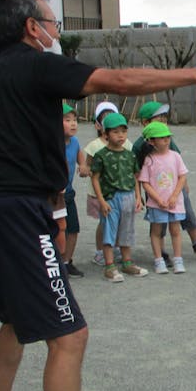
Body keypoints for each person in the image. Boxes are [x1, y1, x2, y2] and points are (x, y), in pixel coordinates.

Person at [0, 0, 196, 391]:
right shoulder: (35, 64)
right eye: (52, 23)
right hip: (14, 212)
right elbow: (119, 82)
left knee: (14, 319)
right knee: (70, 337)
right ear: (32, 28)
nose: (56, 31)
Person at [131, 100, 196, 257]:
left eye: (164, 117)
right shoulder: (139, 146)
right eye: (158, 117)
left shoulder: (167, 140)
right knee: (159, 221)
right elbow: (137, 171)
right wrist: (138, 194)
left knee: (187, 212)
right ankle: (161, 252)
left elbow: (178, 161)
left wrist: (184, 184)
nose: (163, 120)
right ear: (145, 122)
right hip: (155, 189)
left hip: (175, 187)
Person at [90, 113, 147, 282]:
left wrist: (138, 197)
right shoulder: (101, 155)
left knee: (126, 230)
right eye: (115, 132)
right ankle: (109, 266)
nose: (120, 135)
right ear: (105, 134)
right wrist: (101, 200)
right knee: (109, 231)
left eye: (123, 131)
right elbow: (95, 178)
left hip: (128, 196)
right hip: (110, 198)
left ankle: (127, 262)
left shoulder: (130, 155)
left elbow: (134, 177)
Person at [136, 121, 188, 274]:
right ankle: (158, 260)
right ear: (151, 141)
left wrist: (174, 196)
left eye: (167, 137)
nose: (166, 140)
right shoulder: (148, 160)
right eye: (161, 137)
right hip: (156, 203)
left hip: (175, 202)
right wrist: (158, 200)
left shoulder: (176, 156)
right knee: (156, 231)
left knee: (175, 230)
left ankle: (178, 259)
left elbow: (182, 177)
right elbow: (144, 182)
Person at [87, 102, 118, 267]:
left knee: (117, 221)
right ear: (98, 125)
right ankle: (100, 251)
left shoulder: (124, 143)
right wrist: (85, 169)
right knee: (104, 222)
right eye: (105, 120)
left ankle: (116, 248)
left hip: (118, 192)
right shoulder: (95, 145)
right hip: (99, 193)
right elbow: (87, 165)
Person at [61, 103, 88, 278]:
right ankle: (53, 263)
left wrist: (84, 167)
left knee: (73, 229)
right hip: (52, 196)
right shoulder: (51, 143)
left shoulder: (75, 141)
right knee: (56, 231)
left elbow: (81, 160)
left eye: (75, 120)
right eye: (67, 120)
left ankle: (66, 262)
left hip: (68, 194)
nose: (73, 124)